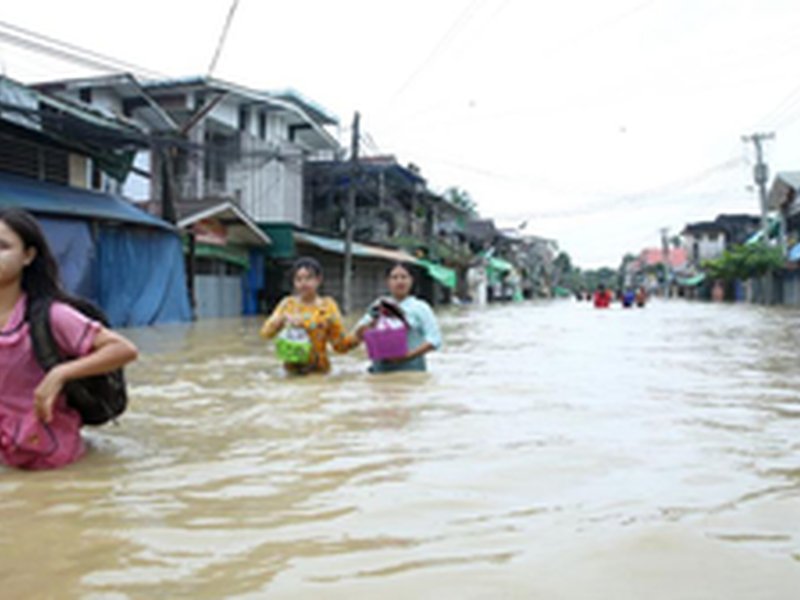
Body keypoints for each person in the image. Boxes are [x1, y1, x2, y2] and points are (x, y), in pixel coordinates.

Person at [0, 208, 138, 470]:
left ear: (28, 256)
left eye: (3, 246)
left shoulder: (52, 316)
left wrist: (60, 374)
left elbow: (123, 349)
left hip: (49, 459)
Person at [260, 257, 358, 374]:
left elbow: (340, 346)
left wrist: (359, 335)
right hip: (291, 373)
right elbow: (265, 333)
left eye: (308, 278)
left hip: (320, 373)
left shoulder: (328, 306)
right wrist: (282, 319)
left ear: (318, 279)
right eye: (298, 279)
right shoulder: (288, 304)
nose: (303, 283)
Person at [355, 263, 442, 373]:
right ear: (388, 282)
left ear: (411, 280)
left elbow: (435, 340)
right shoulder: (378, 305)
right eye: (394, 277)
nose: (399, 281)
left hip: (411, 372)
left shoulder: (421, 308)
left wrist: (407, 356)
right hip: (380, 372)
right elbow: (358, 334)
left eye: (404, 277)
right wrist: (373, 322)